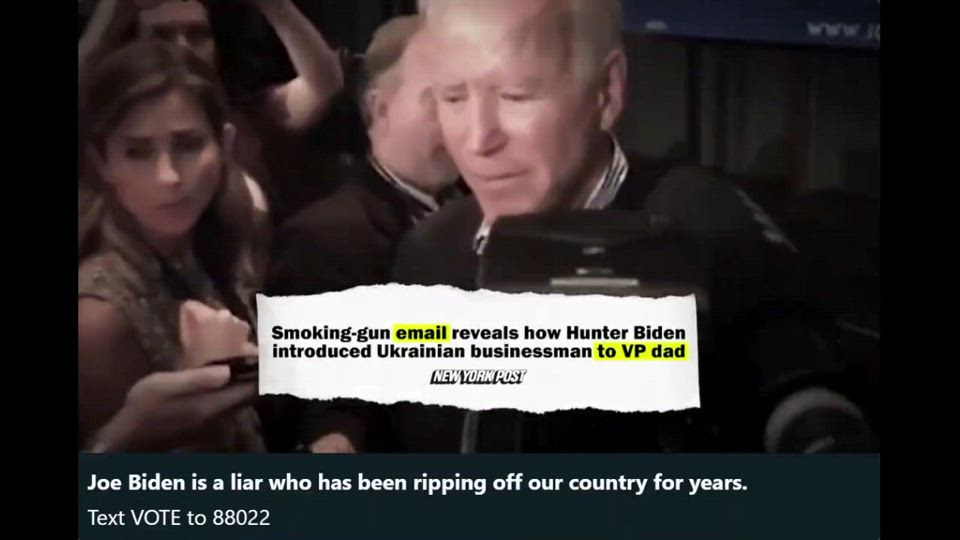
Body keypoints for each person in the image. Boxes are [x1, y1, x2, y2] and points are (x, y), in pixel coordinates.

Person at [390, 0, 797, 452]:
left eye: (515, 96)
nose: (478, 139)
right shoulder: (427, 253)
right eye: (454, 98)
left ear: (606, 91)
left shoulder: (710, 235)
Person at [264, 15, 463, 453]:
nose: (464, 122)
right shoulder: (327, 237)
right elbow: (316, 408)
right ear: (379, 108)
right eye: (444, 100)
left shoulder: (477, 212)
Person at [78, 41, 269, 452]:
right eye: (137, 152)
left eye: (187, 145)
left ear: (225, 145)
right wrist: (193, 396)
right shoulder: (99, 317)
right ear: (102, 162)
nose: (168, 176)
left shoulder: (225, 234)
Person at [78, 0, 345, 220]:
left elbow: (324, 83)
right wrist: (115, 12)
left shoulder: (252, 113)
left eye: (197, 35)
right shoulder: (108, 120)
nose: (182, 47)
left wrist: (275, 6)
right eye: (162, 35)